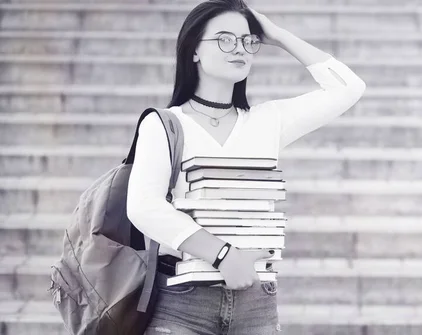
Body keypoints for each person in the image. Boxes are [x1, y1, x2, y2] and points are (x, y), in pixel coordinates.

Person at [126, 0, 366, 334]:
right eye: (224, 39)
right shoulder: (165, 124)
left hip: (257, 304)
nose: (239, 49)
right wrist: (223, 255)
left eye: (248, 40)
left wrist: (278, 35)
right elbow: (143, 207)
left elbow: (349, 87)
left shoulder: (267, 122)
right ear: (193, 49)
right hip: (183, 303)